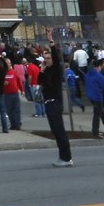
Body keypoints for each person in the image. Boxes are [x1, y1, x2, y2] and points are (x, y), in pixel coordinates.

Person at [40, 33, 73, 166]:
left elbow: (56, 57)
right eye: (45, 57)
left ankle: (66, 158)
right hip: (48, 103)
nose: (47, 59)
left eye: (48, 57)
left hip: (55, 102)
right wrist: (41, 71)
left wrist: (52, 44)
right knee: (56, 131)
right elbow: (38, 82)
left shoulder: (56, 69)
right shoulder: (47, 71)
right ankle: (63, 156)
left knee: (59, 131)